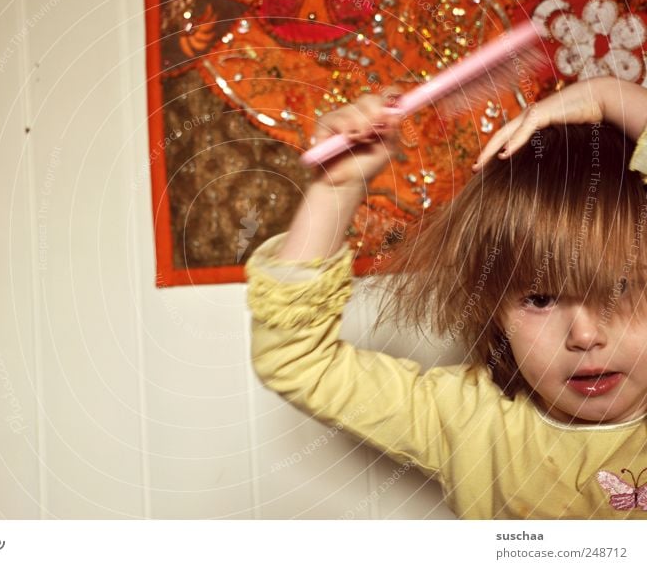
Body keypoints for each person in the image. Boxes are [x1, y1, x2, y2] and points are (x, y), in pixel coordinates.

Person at [245, 76, 647, 518]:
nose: (585, 334)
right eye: (539, 298)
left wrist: (609, 96)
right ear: (494, 310)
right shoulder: (467, 420)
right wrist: (336, 190)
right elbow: (299, 362)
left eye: (620, 285)